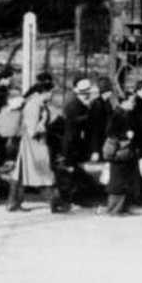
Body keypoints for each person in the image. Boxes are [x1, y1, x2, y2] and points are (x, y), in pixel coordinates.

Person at [7, 76, 55, 211]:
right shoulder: (34, 105)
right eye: (50, 92)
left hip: (30, 144)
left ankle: (13, 202)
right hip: (34, 144)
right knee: (43, 172)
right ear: (42, 93)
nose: (51, 95)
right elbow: (32, 130)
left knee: (21, 172)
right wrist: (43, 124)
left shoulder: (38, 104)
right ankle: (54, 202)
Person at [53, 78, 96, 212]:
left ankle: (72, 200)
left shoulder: (79, 103)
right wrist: (89, 116)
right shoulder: (73, 105)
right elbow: (72, 123)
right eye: (85, 93)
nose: (87, 95)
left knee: (74, 174)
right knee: (69, 174)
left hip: (74, 144)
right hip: (70, 144)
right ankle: (65, 201)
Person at [103, 89, 139, 215]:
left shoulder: (126, 114)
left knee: (124, 180)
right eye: (132, 101)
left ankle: (122, 208)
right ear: (124, 102)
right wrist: (126, 135)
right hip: (119, 152)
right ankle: (114, 209)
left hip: (125, 153)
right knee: (118, 181)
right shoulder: (117, 115)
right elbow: (110, 133)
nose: (134, 104)